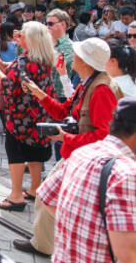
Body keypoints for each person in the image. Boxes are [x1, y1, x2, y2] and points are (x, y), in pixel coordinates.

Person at [15, 37, 125, 256]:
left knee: (47, 195)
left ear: (86, 61)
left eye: (77, 53)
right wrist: (39, 93)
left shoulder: (101, 89)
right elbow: (64, 110)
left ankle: (51, 244)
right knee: (47, 195)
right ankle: (47, 244)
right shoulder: (89, 82)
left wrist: (65, 138)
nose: (72, 55)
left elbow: (104, 136)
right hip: (79, 155)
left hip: (86, 159)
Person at [36, 97, 136, 263]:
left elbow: (47, 196)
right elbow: (127, 253)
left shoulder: (83, 153)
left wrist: (81, 230)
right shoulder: (127, 174)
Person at [0, 22, 56, 211]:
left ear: (30, 38)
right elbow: (16, 69)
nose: (18, 36)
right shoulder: (44, 58)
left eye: (22, 34)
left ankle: (16, 195)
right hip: (40, 114)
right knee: (35, 153)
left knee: (15, 152)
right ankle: (34, 188)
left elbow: (8, 85)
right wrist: (1, 62)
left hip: (20, 117)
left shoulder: (24, 60)